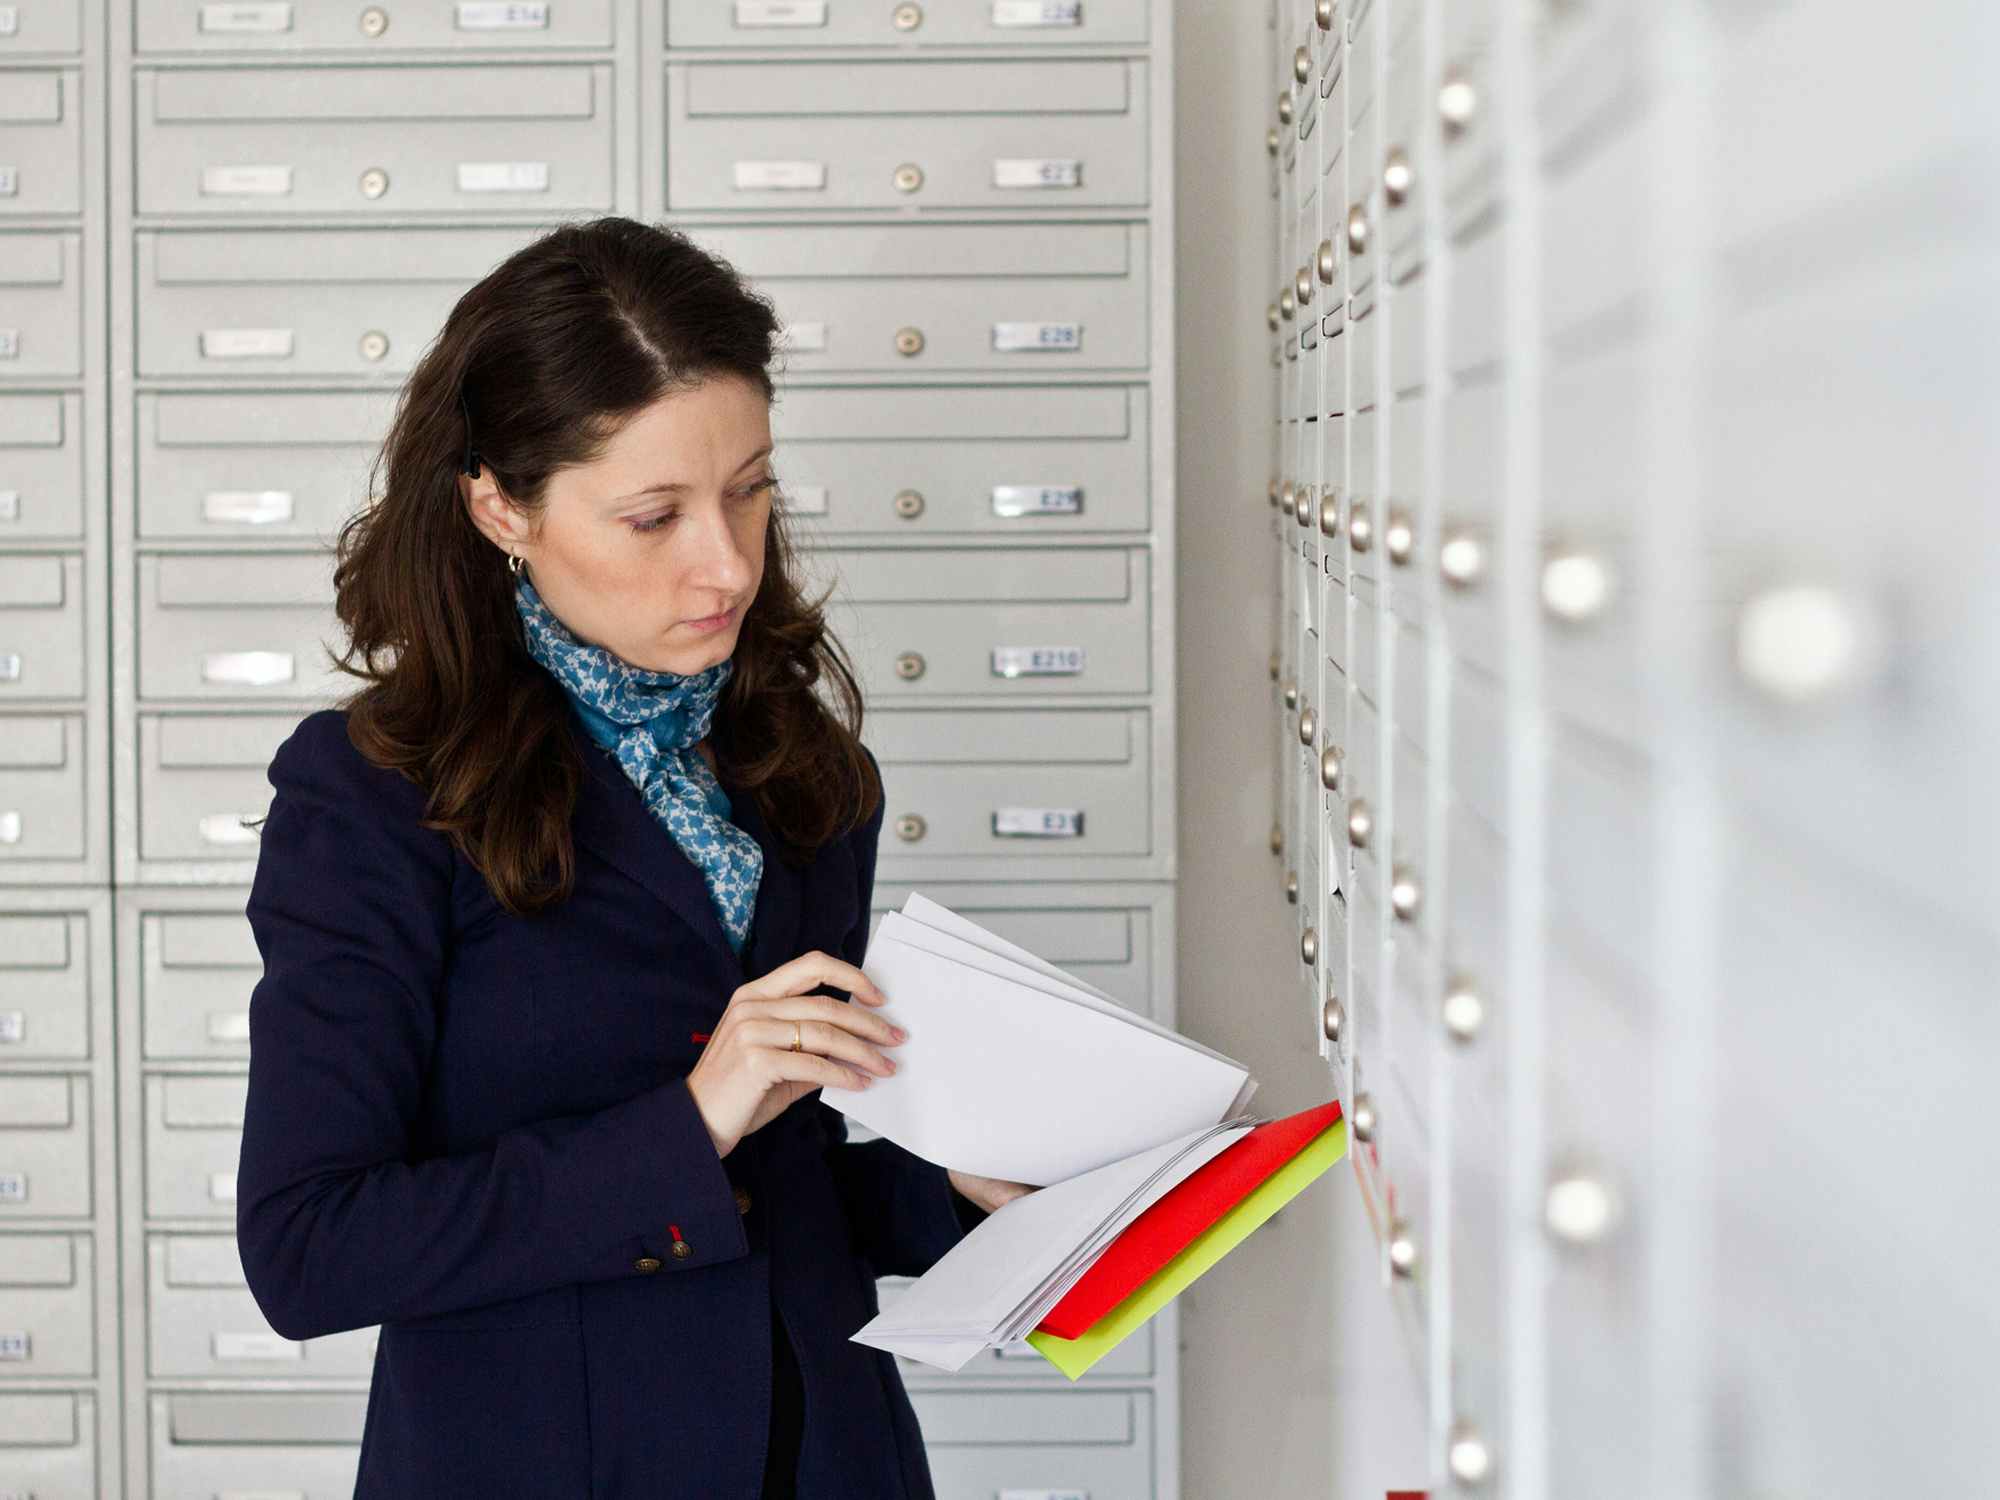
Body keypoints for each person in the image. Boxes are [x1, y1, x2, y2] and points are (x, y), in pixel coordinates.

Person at [233, 215, 1036, 1500]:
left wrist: (964, 1187)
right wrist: (689, 1121)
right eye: (654, 515)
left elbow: (792, 1178)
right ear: (501, 506)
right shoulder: (373, 796)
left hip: (833, 1456)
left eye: (751, 488)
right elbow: (308, 1249)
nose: (724, 562)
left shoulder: (803, 767)